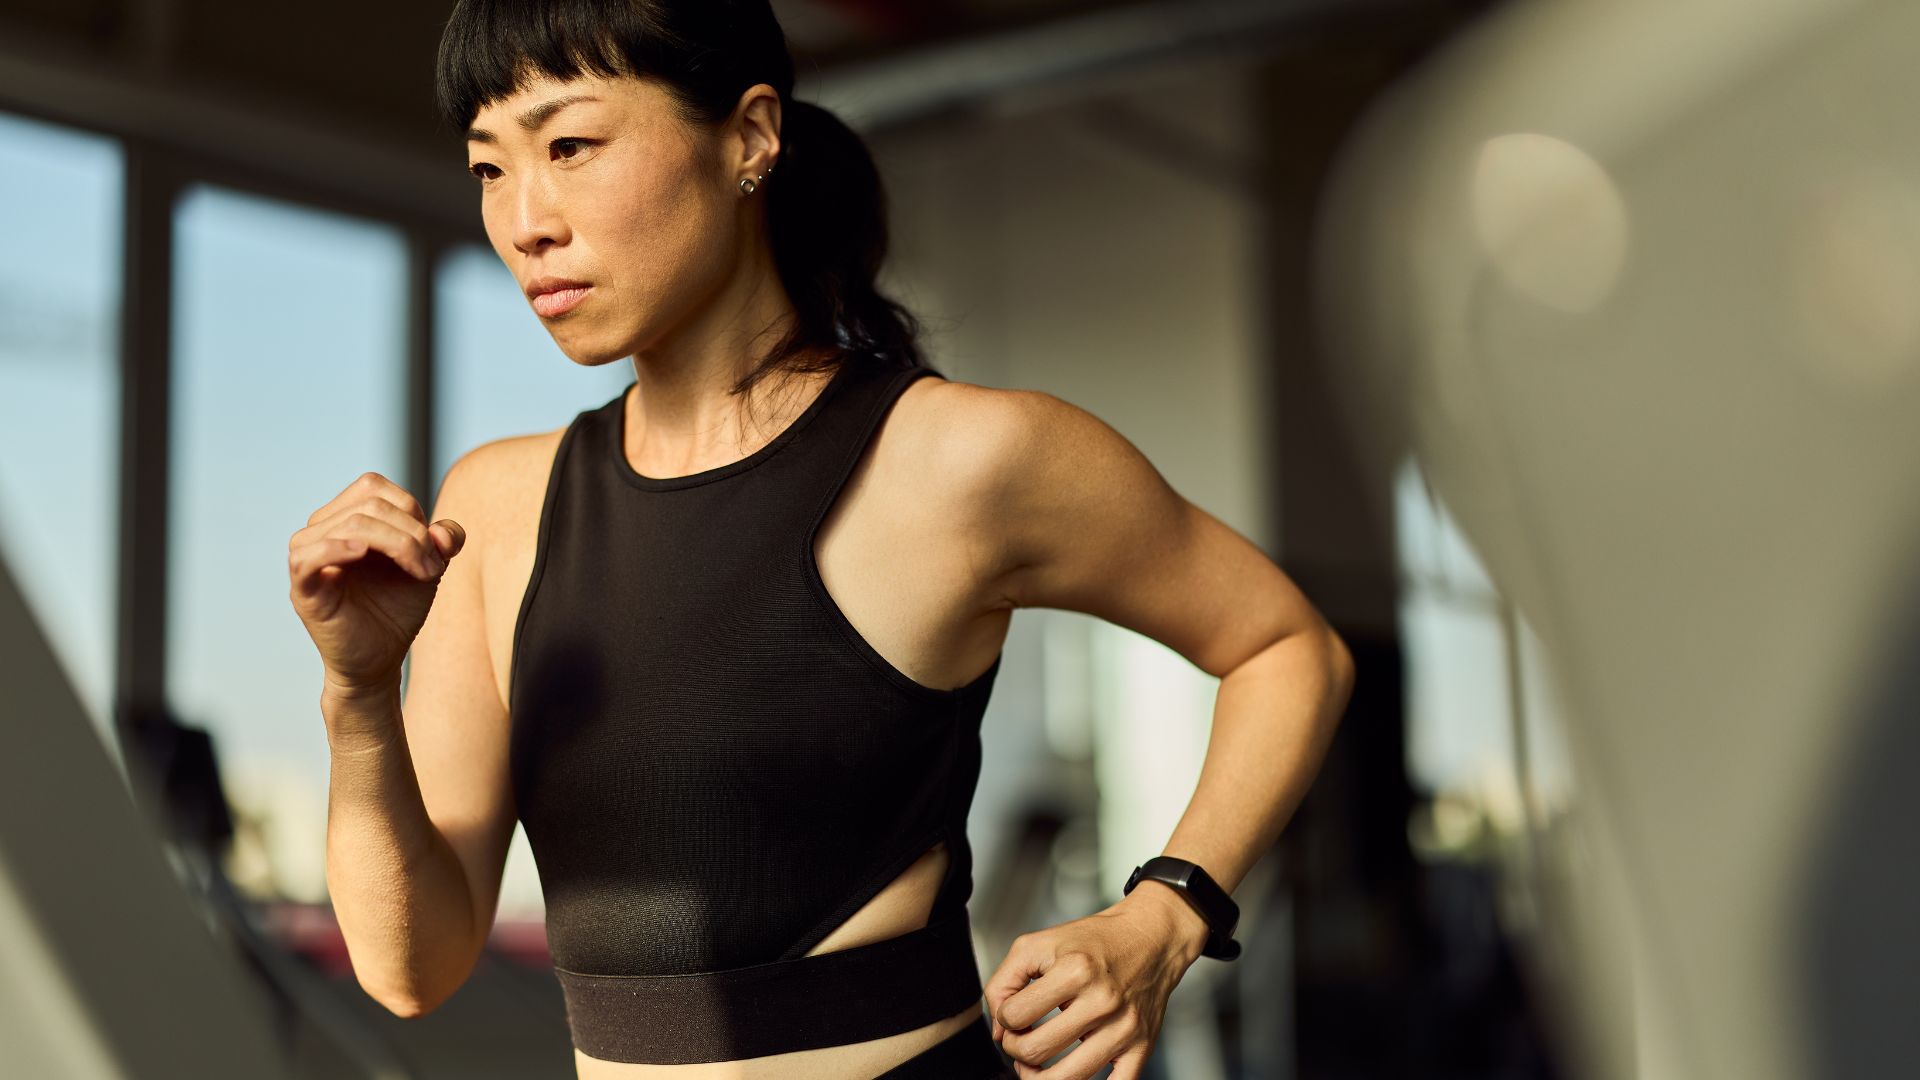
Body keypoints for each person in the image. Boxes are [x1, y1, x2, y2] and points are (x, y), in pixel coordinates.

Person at [286, 2, 1354, 1078]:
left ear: (749, 137)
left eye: (569, 146)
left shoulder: (964, 459)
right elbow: (407, 965)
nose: (526, 221)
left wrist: (1166, 917)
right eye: (489, 170)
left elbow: (1288, 648)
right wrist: (359, 697)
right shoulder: (501, 506)